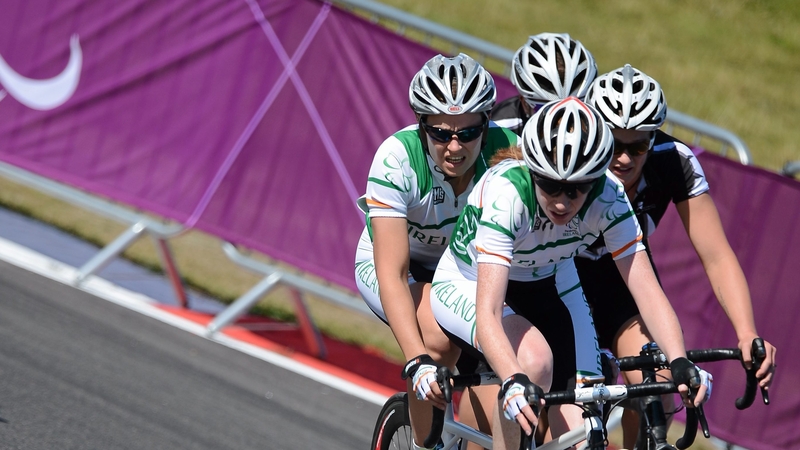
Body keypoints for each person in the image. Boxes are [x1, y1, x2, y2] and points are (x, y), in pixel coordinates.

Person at [430, 97, 711, 450]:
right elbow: (488, 312)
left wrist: (680, 359)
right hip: (470, 282)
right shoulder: (508, 195)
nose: (562, 201)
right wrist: (514, 379)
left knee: (585, 424)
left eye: (576, 189)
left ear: (596, 180)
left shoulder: (609, 196)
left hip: (551, 281)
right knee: (533, 363)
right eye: (549, 185)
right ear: (532, 171)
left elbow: (648, 291)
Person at [578, 64, 778, 448]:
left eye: (637, 146)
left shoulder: (673, 161)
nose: (623, 158)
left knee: (659, 386)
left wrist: (746, 330)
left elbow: (717, 255)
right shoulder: (574, 157)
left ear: (653, 139)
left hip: (625, 283)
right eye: (614, 144)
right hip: (562, 279)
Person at [354, 53, 517, 450]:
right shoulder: (397, 158)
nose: (456, 147)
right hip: (398, 268)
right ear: (421, 124)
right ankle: (423, 445)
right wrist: (416, 359)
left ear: (486, 123)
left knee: (495, 374)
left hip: (464, 270)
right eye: (441, 133)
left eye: (470, 132)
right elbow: (392, 274)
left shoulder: (508, 151)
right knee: (439, 343)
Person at [491, 32, 597, 136]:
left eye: (577, 106)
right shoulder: (500, 130)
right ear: (524, 103)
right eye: (546, 109)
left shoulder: (600, 123)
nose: (563, 121)